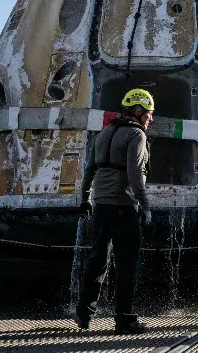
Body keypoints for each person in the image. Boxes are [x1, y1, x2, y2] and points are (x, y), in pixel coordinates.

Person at [75, 88, 155, 334]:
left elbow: (89, 168)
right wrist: (145, 205)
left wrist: (85, 198)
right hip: (124, 206)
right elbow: (134, 174)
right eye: (149, 114)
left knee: (97, 260)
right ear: (138, 111)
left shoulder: (104, 133)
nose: (151, 119)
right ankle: (125, 319)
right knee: (127, 264)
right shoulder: (136, 135)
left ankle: (84, 314)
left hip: (100, 206)